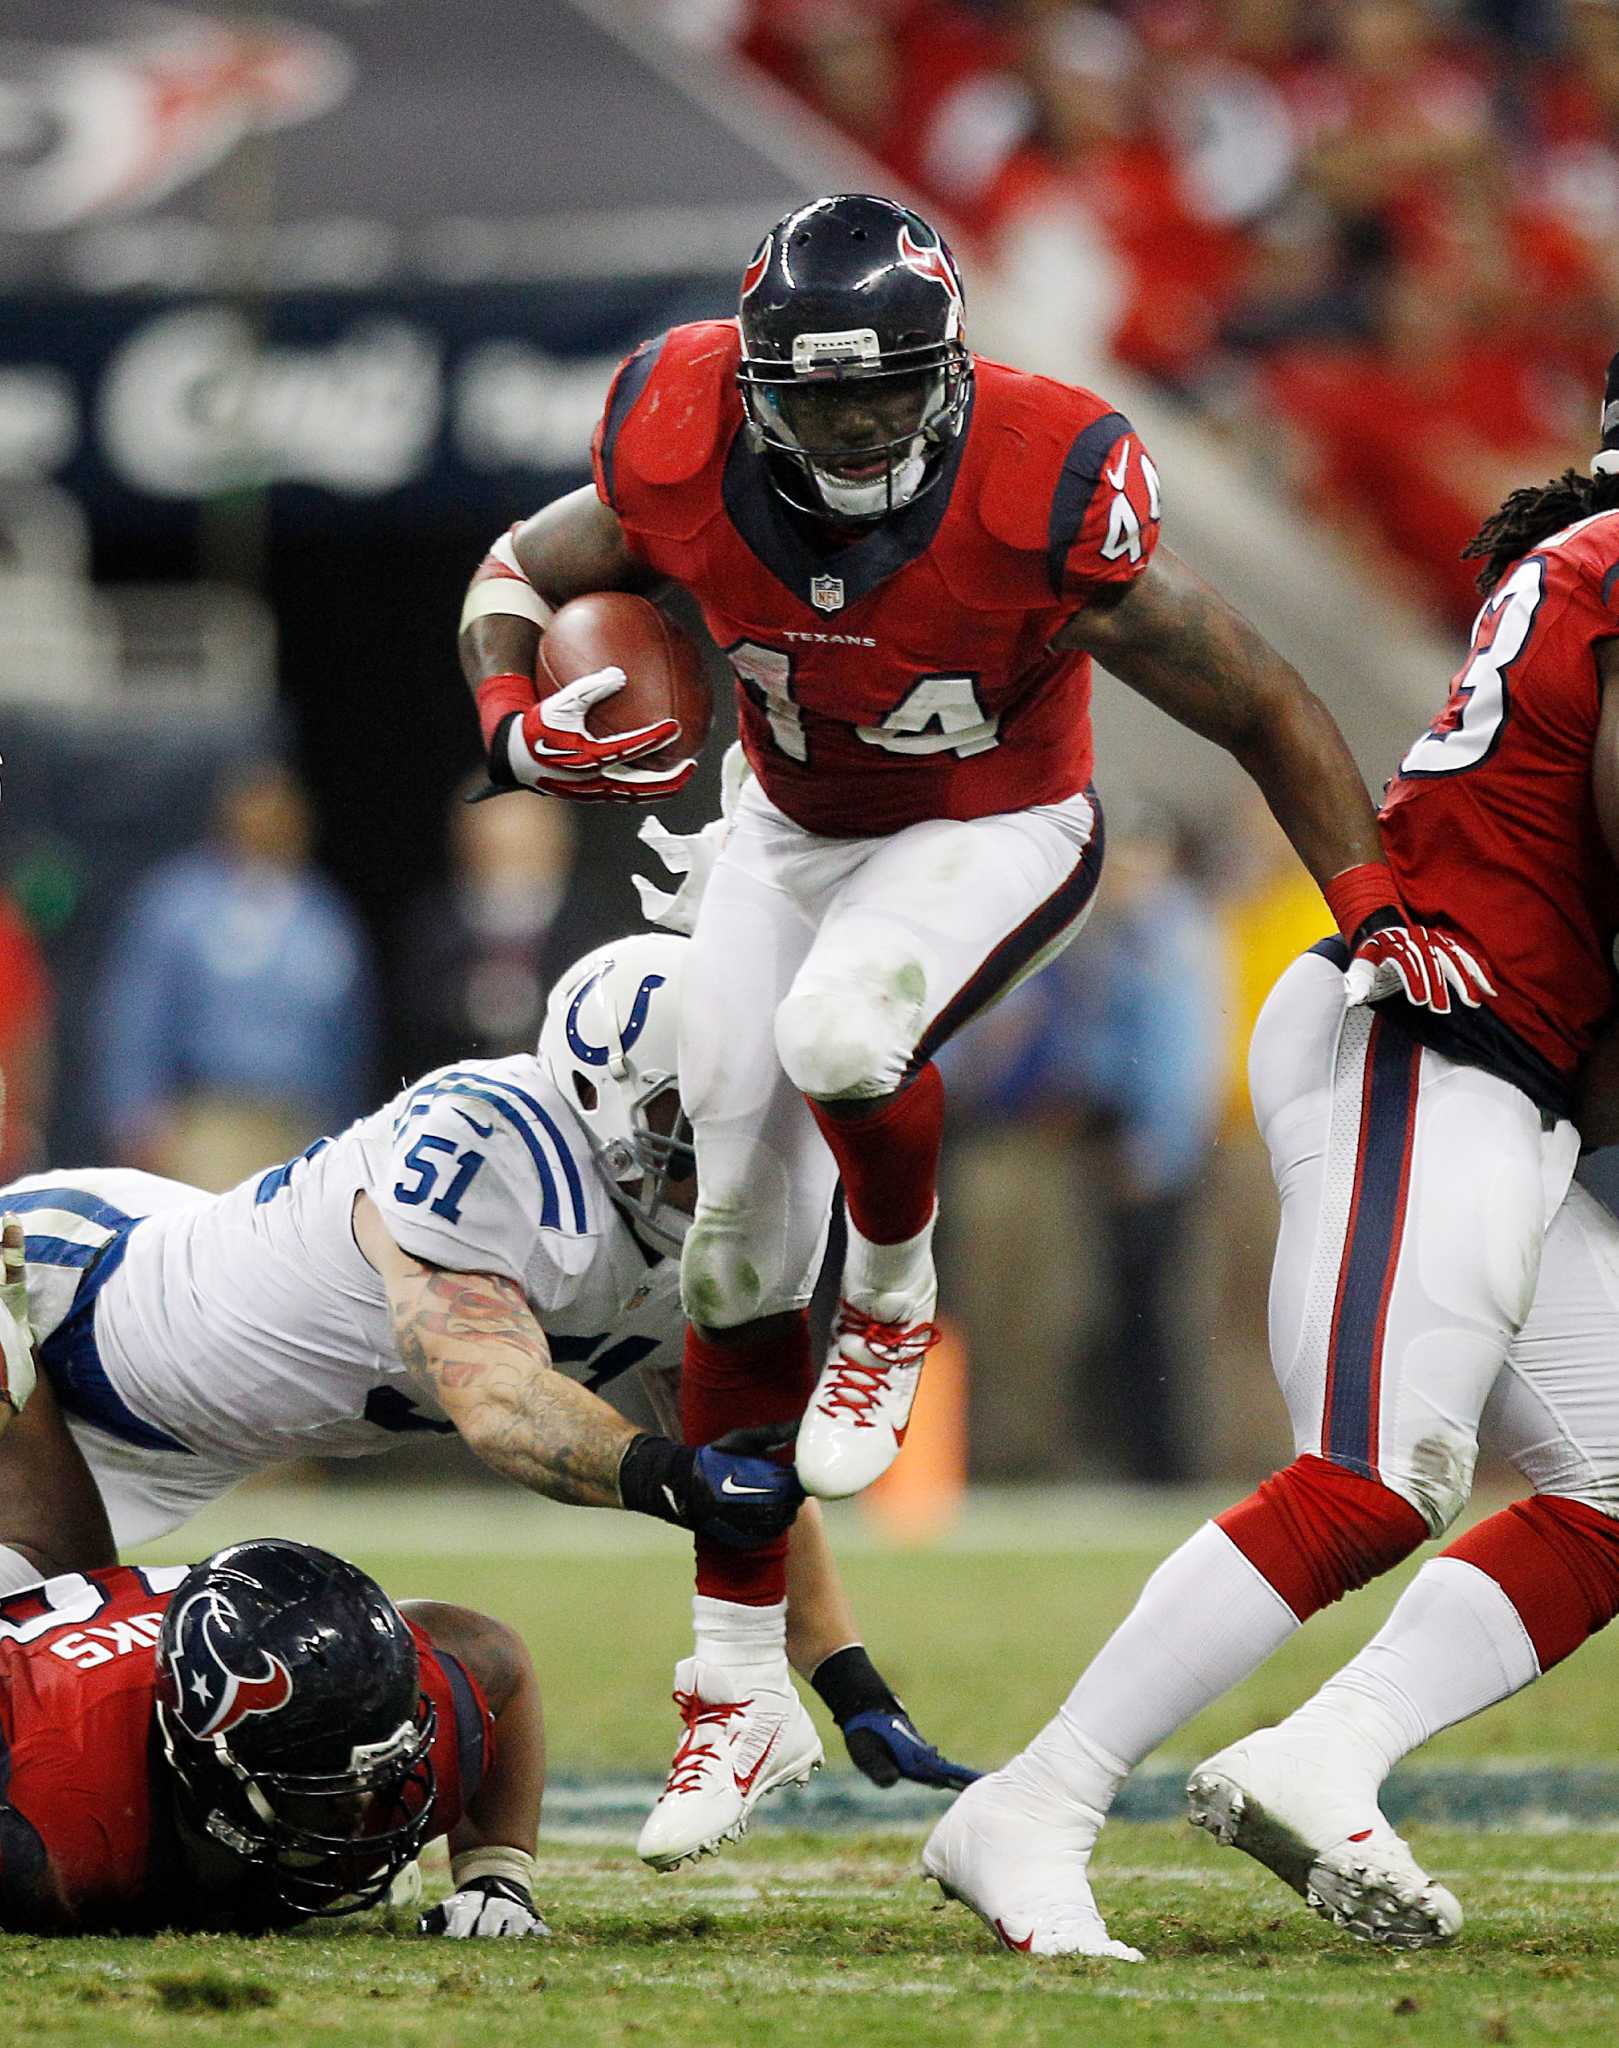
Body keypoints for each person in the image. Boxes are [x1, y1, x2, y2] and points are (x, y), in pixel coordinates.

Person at [455, 189, 1468, 1869]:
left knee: (844, 1031)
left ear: (943, 371)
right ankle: (733, 1691)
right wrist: (506, 719)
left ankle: (896, 1290)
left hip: (991, 823)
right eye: (819, 396)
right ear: (759, 383)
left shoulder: (1043, 475)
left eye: (881, 393)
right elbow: (516, 568)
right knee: (725, 1246)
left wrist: (1365, 902)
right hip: (783, 825)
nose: (854, 427)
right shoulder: (676, 425)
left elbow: (1258, 693)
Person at [920, 351, 1619, 1959]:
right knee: (1372, 1478)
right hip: (1424, 1037)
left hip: (1491, 1070)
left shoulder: (1578, 561)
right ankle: (1032, 1798)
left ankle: (1323, 1752)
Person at [0, 934, 969, 1830]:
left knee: (64, 1653)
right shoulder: (488, 1139)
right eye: (693, 1103)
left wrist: (850, 1683)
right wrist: (674, 1476)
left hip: (172, 1443)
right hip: (61, 1305)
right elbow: (496, 1399)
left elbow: (743, 1472)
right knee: (41, 1656)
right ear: (604, 1089)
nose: (726, 1129)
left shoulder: (709, 1223)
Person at [0, 1305, 545, 1936]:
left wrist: (496, 1875)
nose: (365, 1809)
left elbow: (493, 1655)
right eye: (324, 1792)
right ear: (205, 1762)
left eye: (372, 1775)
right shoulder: (49, 1819)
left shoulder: (408, 1704)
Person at [94, 756, 376, 1192]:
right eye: (257, 808)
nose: (270, 821)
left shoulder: (322, 913)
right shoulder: (182, 902)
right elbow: (139, 1013)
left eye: (282, 810)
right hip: (211, 1119)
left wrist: (350, 1129)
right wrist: (136, 1110)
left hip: (302, 1120)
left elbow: (349, 1033)